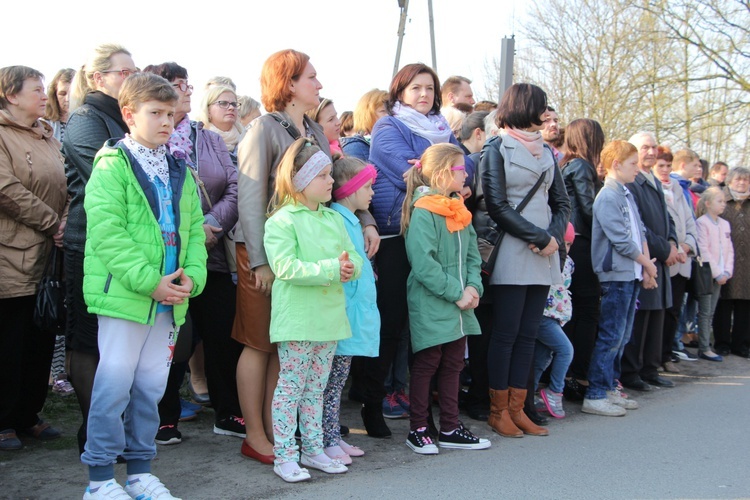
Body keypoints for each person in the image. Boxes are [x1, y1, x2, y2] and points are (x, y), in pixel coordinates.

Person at [234, 49, 379, 464]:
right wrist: (260, 261)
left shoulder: (314, 127)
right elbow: (249, 196)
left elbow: (339, 178)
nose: (319, 84)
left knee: (287, 347)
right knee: (260, 342)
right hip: (266, 250)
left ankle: (288, 435)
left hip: (309, 250)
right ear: (289, 83)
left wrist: (365, 218)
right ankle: (256, 435)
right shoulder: (262, 128)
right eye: (311, 77)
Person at [80, 72, 207, 500]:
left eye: (171, 113)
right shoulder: (112, 166)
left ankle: (139, 472)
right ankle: (99, 480)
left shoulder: (179, 171)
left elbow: (193, 234)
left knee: (151, 386)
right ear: (129, 113)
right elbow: (108, 233)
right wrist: (150, 283)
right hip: (128, 297)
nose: (166, 122)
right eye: (156, 113)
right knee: (113, 385)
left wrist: (192, 276)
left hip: (169, 300)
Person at [364, 62, 472, 438]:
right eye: (415, 88)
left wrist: (449, 172)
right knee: (390, 326)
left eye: (429, 88)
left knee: (428, 330)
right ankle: (372, 404)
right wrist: (445, 174)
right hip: (398, 231)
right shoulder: (388, 126)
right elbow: (407, 171)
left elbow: (462, 166)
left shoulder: (442, 127)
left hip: (439, 230)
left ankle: (423, 412)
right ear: (400, 92)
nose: (424, 94)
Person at [143, 62, 241, 444]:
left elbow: (234, 187)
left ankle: (228, 413)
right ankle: (162, 417)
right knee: (173, 339)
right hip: (168, 257)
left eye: (187, 84)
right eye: (174, 84)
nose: (184, 89)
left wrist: (210, 224)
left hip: (212, 253)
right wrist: (187, 233)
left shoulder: (209, 138)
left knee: (221, 335)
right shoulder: (148, 140)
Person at [263, 138, 362, 482]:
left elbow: (354, 258)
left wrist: (351, 269)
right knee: (290, 387)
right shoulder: (282, 221)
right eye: (322, 175)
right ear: (301, 180)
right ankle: (285, 455)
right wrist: (333, 269)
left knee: (315, 388)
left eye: (329, 174)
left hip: (329, 319)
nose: (331, 181)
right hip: (299, 319)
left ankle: (313, 449)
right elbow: (285, 267)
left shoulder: (334, 219)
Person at [480, 83, 570, 438]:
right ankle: (498, 411)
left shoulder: (546, 150)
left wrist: (552, 237)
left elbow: (562, 202)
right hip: (513, 250)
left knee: (529, 334)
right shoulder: (496, 148)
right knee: (506, 334)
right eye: (542, 106)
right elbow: (496, 205)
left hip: (543, 251)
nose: (547, 113)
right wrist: (539, 237)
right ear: (525, 107)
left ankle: (519, 408)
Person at [62, 43, 136, 454]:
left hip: (128, 245)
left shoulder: (123, 117)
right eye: (124, 71)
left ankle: (114, 429)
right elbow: (120, 180)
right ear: (98, 78)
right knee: (89, 341)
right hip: (88, 245)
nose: (132, 77)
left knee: (117, 343)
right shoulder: (85, 120)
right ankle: (94, 435)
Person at [401, 143, 490, 454]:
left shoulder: (459, 209)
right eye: (460, 169)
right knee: (428, 362)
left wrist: (474, 288)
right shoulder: (425, 212)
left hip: (460, 302)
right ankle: (419, 428)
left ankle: (450, 427)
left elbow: (473, 256)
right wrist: (457, 293)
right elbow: (423, 264)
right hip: (435, 300)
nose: (466, 173)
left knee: (453, 362)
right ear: (441, 175)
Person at [0, 65, 67, 451]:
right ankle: (4, 421)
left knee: (40, 336)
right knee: (10, 339)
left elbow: (68, 182)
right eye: (37, 89)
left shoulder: (46, 136)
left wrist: (66, 219)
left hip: (47, 255)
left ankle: (29, 414)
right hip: (12, 253)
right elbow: (6, 189)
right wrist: (51, 221)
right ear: (11, 95)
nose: (45, 96)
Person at [582, 140, 656, 417]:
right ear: (616, 165)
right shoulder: (608, 196)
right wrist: (647, 263)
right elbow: (621, 240)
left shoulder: (626, 193)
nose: (638, 169)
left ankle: (610, 386)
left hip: (631, 273)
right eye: (633, 164)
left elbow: (641, 233)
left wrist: (647, 267)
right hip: (616, 274)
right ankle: (596, 394)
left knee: (622, 336)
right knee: (611, 334)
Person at [323, 156, 381, 463]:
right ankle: (326, 437)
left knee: (337, 380)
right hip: (343, 315)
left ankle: (331, 434)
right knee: (330, 383)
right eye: (368, 186)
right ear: (351, 188)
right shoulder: (338, 221)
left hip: (351, 314)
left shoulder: (351, 219)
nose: (372, 193)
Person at [620, 132, 678, 392]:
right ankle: (632, 371)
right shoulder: (632, 182)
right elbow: (639, 226)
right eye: (646, 147)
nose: (652, 152)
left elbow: (669, 218)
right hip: (647, 255)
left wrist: (674, 242)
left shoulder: (654, 179)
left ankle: (650, 368)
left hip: (661, 256)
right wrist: (665, 249)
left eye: (654, 147)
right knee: (641, 316)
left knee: (657, 314)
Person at [559, 118, 604, 401]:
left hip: (570, 242)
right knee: (587, 310)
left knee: (571, 310)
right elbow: (589, 209)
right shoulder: (583, 166)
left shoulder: (566, 164)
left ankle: (565, 375)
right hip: (583, 244)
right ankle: (577, 375)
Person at [652, 147, 698, 372]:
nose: (665, 170)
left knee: (674, 310)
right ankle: (654, 356)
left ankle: (666, 354)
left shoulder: (679, 189)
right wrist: (670, 248)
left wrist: (686, 246)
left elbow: (690, 222)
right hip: (663, 258)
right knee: (659, 310)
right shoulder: (652, 187)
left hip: (681, 259)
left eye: (668, 166)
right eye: (661, 165)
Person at [535, 223, 576, 419]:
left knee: (542, 358)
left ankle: (529, 393)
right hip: (544, 315)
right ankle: (554, 392)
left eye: (569, 245)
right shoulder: (544, 259)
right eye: (563, 244)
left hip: (558, 316)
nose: (565, 249)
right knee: (565, 350)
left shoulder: (569, 263)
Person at [712, 167, 750, 358]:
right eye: (738, 180)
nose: (742, 183)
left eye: (746, 180)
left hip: (747, 261)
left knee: (745, 304)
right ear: (730, 181)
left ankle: (741, 344)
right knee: (723, 303)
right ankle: (722, 343)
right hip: (725, 259)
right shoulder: (722, 201)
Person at [695, 187, 734, 361]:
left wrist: (727, 271)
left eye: (724, 201)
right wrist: (717, 272)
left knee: (711, 311)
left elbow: (730, 250)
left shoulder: (725, 224)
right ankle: (704, 347)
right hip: (706, 275)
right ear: (708, 203)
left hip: (721, 275)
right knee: (704, 311)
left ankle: (706, 344)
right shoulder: (702, 223)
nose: (723, 205)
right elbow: (703, 249)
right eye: (720, 201)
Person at [197, 85, 243, 163]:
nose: (231, 108)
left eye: (234, 104)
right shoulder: (198, 139)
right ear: (208, 110)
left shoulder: (246, 139)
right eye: (223, 103)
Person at [340, 89, 388, 161]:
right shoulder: (354, 147)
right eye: (383, 111)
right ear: (367, 115)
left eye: (390, 110)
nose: (388, 115)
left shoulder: (388, 138)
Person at [45, 68, 75, 143]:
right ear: (54, 95)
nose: (67, 99)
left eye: (72, 93)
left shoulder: (91, 121)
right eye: (62, 94)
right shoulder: (44, 125)